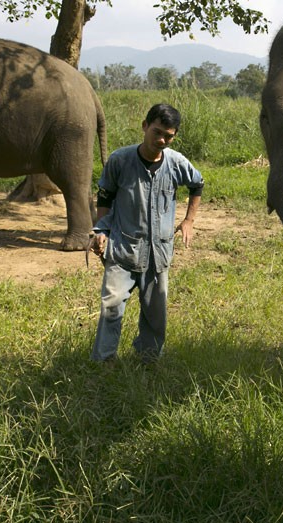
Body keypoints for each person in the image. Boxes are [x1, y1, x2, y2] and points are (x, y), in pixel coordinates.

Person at [88, 103, 204, 364]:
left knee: (155, 313)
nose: (161, 140)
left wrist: (189, 221)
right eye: (157, 132)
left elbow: (198, 184)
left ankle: (149, 361)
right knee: (112, 305)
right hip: (122, 248)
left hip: (158, 253)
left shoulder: (176, 163)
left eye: (169, 136)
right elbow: (105, 196)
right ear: (144, 126)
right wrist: (100, 230)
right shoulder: (120, 160)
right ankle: (103, 362)